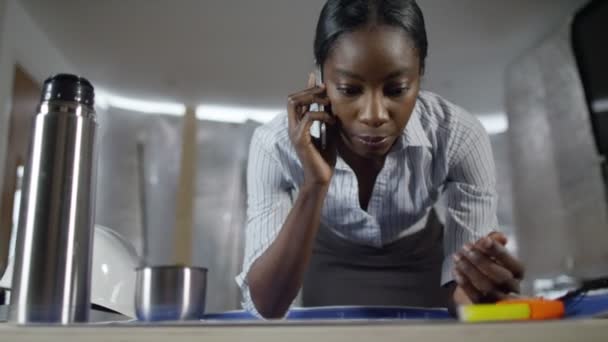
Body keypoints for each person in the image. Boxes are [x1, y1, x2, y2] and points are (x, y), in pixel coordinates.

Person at [236, 0, 525, 319]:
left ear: (420, 75)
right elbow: (267, 307)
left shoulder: (458, 135)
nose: (374, 115)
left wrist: (479, 290)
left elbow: (464, 305)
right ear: (321, 77)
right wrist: (314, 184)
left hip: (422, 259)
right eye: (348, 89)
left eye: (397, 89)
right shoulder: (274, 144)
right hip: (330, 262)